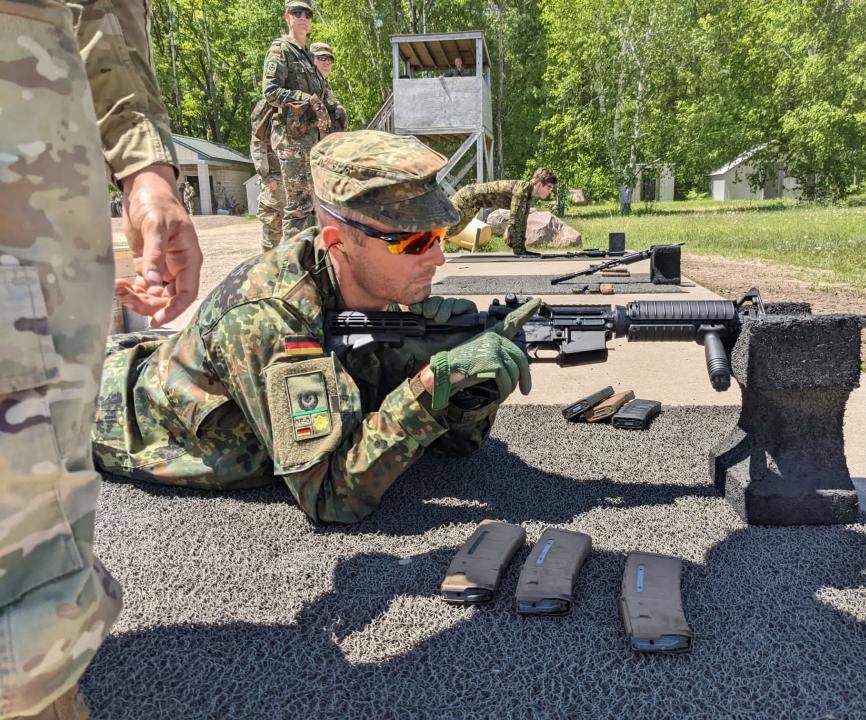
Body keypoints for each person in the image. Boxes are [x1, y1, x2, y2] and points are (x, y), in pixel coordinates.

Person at [91, 130, 539, 526]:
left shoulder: (371, 297)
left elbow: (448, 450)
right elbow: (329, 496)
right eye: (414, 242)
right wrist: (433, 383)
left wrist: (473, 384)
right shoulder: (270, 321)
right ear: (338, 243)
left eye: (438, 237)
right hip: (92, 410)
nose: (438, 258)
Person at [0, 0, 203, 717]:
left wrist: (146, 170)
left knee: (28, 592)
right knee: (22, 631)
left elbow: (102, 15)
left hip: (36, 151)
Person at [262, 0, 329, 241]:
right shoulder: (281, 50)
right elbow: (270, 92)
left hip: (309, 141)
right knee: (299, 207)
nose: (303, 17)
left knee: (311, 205)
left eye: (308, 14)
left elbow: (322, 95)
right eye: (296, 12)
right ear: (287, 17)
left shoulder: (306, 58)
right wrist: (304, 99)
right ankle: (292, 267)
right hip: (292, 140)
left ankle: (309, 262)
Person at [447, 168, 558, 255]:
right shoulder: (521, 192)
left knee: (451, 230)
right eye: (548, 187)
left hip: (474, 201)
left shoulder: (527, 194)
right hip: (468, 197)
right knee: (450, 229)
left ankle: (430, 243)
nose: (550, 191)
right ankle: (429, 243)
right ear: (538, 184)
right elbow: (515, 221)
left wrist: (521, 248)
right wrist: (519, 249)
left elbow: (522, 221)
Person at [250, 98, 286, 250]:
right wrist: (266, 175)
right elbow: (258, 141)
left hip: (296, 176)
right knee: (273, 224)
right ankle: (270, 267)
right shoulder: (269, 105)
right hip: (276, 179)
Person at [309, 42, 349, 132]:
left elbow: (332, 102)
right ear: (311, 60)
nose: (327, 62)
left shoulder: (324, 84)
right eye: (322, 58)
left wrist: (339, 108)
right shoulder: (305, 80)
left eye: (330, 59)